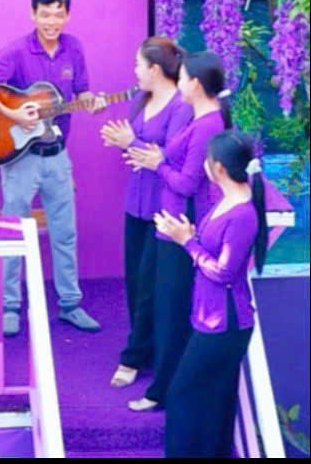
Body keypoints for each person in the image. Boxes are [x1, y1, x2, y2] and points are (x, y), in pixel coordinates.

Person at [0, 0, 106, 336]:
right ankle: (10, 306)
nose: (51, 22)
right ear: (33, 14)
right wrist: (11, 114)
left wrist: (92, 103)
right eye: (45, 14)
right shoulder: (17, 51)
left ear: (67, 16)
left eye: (58, 14)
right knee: (15, 231)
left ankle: (70, 304)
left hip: (58, 155)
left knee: (65, 232)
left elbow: (83, 93)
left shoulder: (74, 48)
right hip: (21, 158)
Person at [124, 50, 230, 412]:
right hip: (170, 223)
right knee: (163, 303)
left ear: (195, 84)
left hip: (182, 226)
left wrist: (157, 163)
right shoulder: (200, 119)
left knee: (171, 312)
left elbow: (187, 183)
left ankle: (163, 391)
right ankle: (165, 384)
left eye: (182, 78)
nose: (178, 83)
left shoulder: (207, 125)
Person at [159, 130, 267, 457]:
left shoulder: (242, 213)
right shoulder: (228, 199)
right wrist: (189, 236)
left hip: (225, 323)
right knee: (215, 399)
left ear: (218, 167)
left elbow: (224, 271)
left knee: (183, 393)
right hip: (213, 317)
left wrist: (186, 242)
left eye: (207, 160)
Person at [100, 37, 193, 388]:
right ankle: (146, 345)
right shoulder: (141, 99)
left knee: (150, 286)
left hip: (164, 207)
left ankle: (132, 357)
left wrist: (132, 144)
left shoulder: (181, 106)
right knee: (134, 280)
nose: (135, 71)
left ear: (155, 69)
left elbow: (173, 156)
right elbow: (141, 152)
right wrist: (124, 143)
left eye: (139, 65)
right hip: (135, 202)